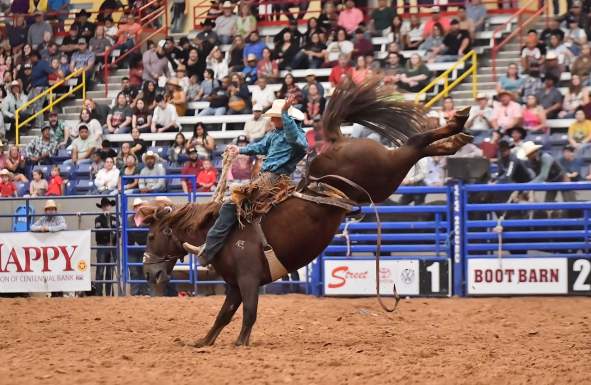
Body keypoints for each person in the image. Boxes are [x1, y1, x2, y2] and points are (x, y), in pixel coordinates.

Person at [182, 96, 307, 265]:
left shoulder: (298, 137)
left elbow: (293, 138)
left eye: (277, 116)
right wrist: (239, 149)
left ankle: (208, 251)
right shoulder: (275, 134)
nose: (273, 119)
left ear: (287, 118)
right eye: (276, 116)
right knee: (232, 205)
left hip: (274, 179)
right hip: (266, 178)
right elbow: (260, 147)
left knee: (230, 205)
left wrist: (285, 112)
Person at [94, 197, 117, 296]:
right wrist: (111, 231)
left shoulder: (114, 218)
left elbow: (118, 233)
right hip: (102, 246)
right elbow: (99, 233)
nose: (106, 207)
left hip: (112, 246)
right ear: (102, 208)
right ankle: (99, 293)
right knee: (100, 270)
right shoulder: (98, 219)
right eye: (104, 206)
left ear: (110, 206)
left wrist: (112, 232)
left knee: (110, 271)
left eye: (107, 205)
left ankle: (108, 294)